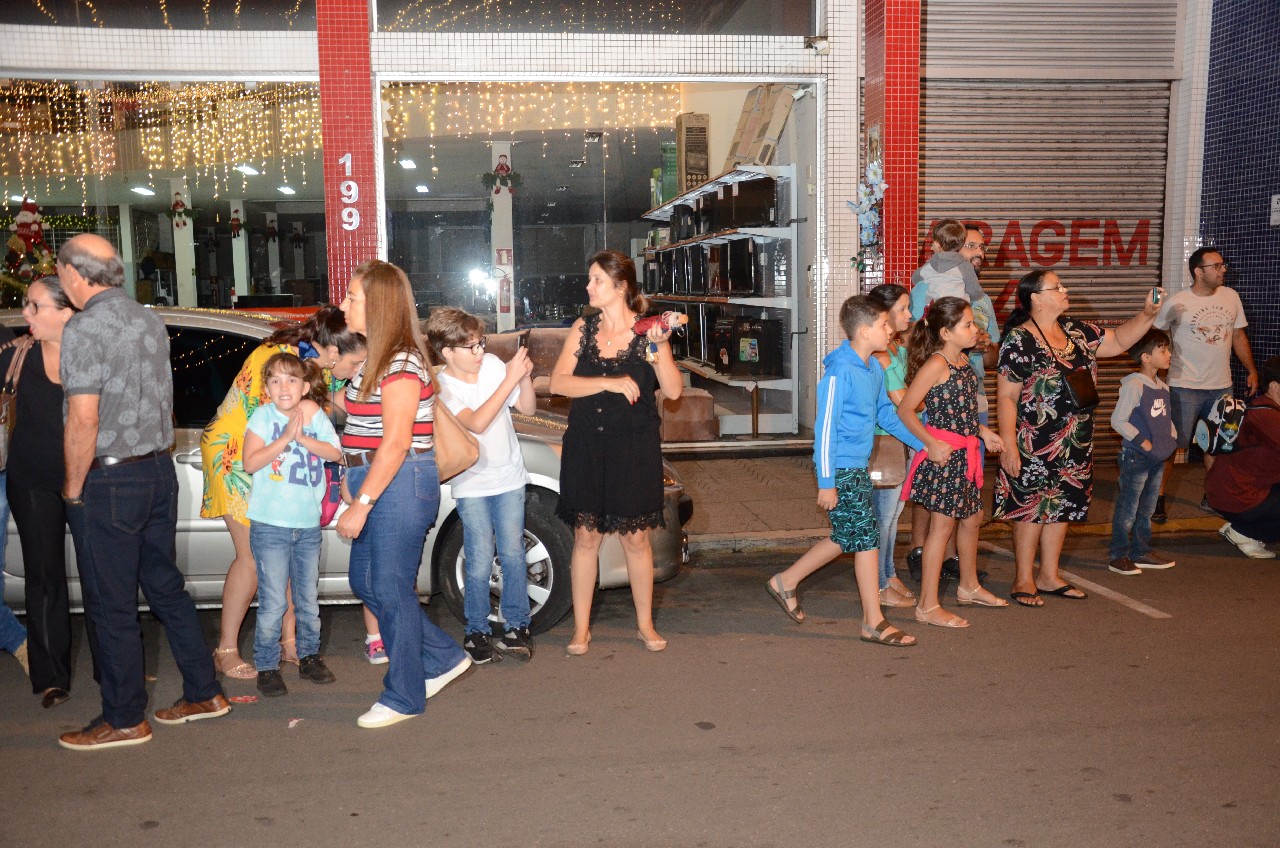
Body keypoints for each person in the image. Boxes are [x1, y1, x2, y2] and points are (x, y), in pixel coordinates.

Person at [56, 233, 229, 750]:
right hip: (157, 472)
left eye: (61, 269)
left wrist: (71, 488)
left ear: (75, 274)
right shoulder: (147, 318)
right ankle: (204, 692)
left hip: (111, 479)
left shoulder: (84, 328)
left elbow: (83, 419)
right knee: (165, 587)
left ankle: (125, 717)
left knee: (111, 604)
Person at [337, 260, 470, 729]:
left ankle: (404, 694)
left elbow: (394, 443)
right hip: (375, 481)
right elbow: (359, 415)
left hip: (395, 484)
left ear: (377, 305)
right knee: (368, 583)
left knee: (389, 589)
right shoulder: (377, 356)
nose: (344, 304)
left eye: (352, 297)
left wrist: (362, 503)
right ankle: (442, 657)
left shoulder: (400, 361)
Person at [201, 304, 366, 679]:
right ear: (335, 352)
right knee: (253, 559)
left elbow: (331, 410)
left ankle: (289, 643)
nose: (356, 372)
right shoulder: (277, 360)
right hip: (237, 458)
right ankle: (225, 649)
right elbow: (275, 419)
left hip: (283, 465)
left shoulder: (320, 368)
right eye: (356, 364)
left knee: (288, 555)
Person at [994, 269, 1161, 607]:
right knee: (1032, 507)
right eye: (1058, 287)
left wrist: (1147, 314)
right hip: (1035, 440)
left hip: (1076, 440)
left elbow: (1118, 342)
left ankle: (1049, 575)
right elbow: (1007, 397)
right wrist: (1009, 444)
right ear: (1036, 298)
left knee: (1063, 505)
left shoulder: (1077, 331)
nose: (1065, 290)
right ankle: (1024, 577)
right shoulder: (1018, 339)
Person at [764, 296, 924, 646]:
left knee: (848, 536)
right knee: (865, 539)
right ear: (865, 330)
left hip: (857, 467)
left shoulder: (873, 368)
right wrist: (826, 482)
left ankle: (786, 581)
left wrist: (922, 441)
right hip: (841, 468)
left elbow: (885, 414)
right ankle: (873, 621)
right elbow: (824, 429)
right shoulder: (840, 371)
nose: (890, 330)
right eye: (884, 324)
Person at [549, 249, 683, 656]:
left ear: (621, 287)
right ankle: (582, 629)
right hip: (586, 444)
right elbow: (558, 383)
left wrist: (658, 349)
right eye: (589, 279)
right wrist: (607, 383)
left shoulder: (648, 333)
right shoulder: (583, 329)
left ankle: (645, 625)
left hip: (633, 448)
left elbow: (674, 392)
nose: (588, 287)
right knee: (585, 538)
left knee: (637, 541)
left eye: (596, 280)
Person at [428, 307, 537, 664]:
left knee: (512, 552)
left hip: (509, 475)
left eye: (480, 344)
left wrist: (523, 377)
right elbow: (475, 422)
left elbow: (527, 408)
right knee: (477, 558)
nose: (479, 353)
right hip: (471, 481)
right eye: (470, 348)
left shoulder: (491, 364)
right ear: (446, 352)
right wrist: (511, 377)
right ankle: (476, 630)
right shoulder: (440, 385)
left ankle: (517, 626)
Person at [896, 297, 1006, 628]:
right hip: (945, 460)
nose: (976, 330)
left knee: (973, 518)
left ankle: (969, 586)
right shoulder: (937, 364)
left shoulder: (962, 361)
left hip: (966, 455)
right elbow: (906, 410)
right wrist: (930, 443)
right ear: (946, 331)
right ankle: (927, 606)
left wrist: (984, 432)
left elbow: (962, 413)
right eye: (968, 325)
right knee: (941, 529)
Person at [242, 352, 342, 697]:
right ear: (266, 387)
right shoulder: (261, 416)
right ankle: (267, 665)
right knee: (273, 601)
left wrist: (302, 438)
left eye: (291, 379)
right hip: (270, 524)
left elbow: (335, 453)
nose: (283, 387)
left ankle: (309, 656)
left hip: (307, 525)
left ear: (305, 385)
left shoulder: (314, 414)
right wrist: (285, 438)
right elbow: (250, 462)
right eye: (275, 380)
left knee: (307, 599)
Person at [1, 276, 77, 708]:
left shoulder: (93, 357)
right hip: (31, 480)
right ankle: (51, 677)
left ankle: (114, 669)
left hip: (89, 478)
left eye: (34, 306)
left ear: (66, 311)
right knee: (44, 577)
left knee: (102, 575)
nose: (25, 314)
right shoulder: (15, 356)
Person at [1151, 247, 1259, 522]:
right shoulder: (1177, 302)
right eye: (1217, 266)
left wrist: (1251, 370)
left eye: (1223, 265)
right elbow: (1156, 337)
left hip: (1221, 385)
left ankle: (1214, 496)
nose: (1223, 270)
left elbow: (1237, 336)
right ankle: (1157, 498)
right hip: (1184, 385)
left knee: (1219, 445)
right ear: (1199, 271)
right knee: (1172, 446)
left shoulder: (1231, 297)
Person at [1107, 329, 1178, 574]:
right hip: (1137, 457)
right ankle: (1119, 554)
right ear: (1146, 357)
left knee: (1147, 508)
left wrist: (1171, 439)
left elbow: (1166, 419)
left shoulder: (1163, 387)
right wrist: (1144, 443)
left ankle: (1141, 551)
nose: (1169, 354)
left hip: (1157, 456)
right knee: (1128, 507)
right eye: (1163, 350)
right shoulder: (1134, 385)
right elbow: (1118, 420)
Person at [865, 283, 916, 610]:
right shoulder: (879, 354)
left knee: (893, 515)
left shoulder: (896, 349)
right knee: (882, 517)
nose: (909, 314)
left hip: (901, 437)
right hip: (883, 439)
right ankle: (879, 583)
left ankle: (888, 573)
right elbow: (901, 402)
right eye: (903, 309)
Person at [1206, 356, 1280, 559]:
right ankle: (1245, 532)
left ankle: (1243, 526)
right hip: (1237, 495)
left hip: (1234, 491)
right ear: (1275, 386)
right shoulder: (1268, 417)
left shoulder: (1264, 408)